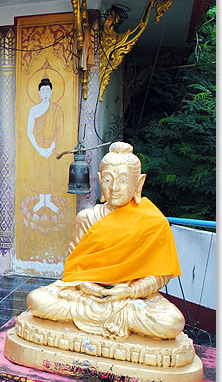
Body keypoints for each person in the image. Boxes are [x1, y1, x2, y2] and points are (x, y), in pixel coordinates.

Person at [25, 142, 184, 340]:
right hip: (87, 295)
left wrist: (130, 290)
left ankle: (115, 317)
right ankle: (113, 319)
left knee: (171, 322)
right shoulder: (87, 217)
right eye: (108, 180)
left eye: (123, 180)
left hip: (130, 299)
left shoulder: (153, 222)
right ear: (100, 180)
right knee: (37, 301)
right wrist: (84, 285)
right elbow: (74, 266)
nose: (114, 188)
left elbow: (160, 275)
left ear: (139, 183)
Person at [27, 77, 64, 213]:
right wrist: (38, 149)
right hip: (37, 147)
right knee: (39, 173)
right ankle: (41, 201)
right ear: (39, 92)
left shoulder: (57, 110)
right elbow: (29, 132)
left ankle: (47, 201)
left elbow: (59, 131)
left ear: (52, 92)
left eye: (48, 90)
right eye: (43, 90)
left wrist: (50, 149)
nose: (45, 93)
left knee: (50, 173)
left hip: (51, 147)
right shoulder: (34, 110)